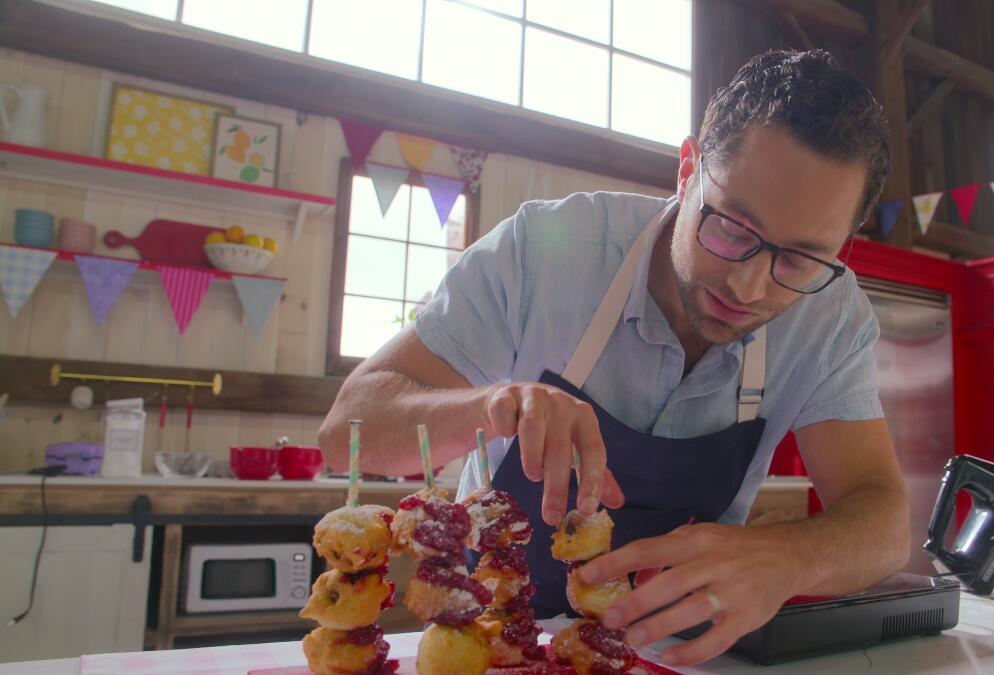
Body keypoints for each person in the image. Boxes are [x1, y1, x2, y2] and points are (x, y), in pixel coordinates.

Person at [320, 49, 909, 666]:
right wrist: (491, 406)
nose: (750, 287)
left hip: (686, 654)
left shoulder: (831, 315)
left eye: (800, 259)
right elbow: (347, 430)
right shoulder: (543, 253)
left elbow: (885, 521)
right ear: (687, 171)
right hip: (499, 640)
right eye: (733, 228)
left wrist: (792, 557)